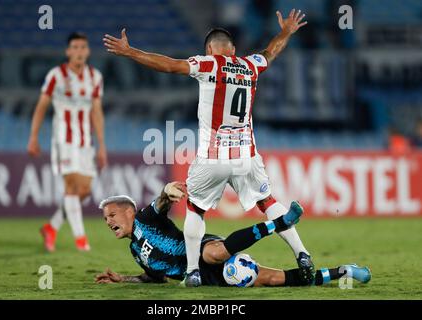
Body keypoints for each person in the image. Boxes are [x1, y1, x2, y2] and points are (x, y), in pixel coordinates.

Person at [103, 9, 313, 286]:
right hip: (246, 156)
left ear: (209, 50)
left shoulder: (208, 65)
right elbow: (271, 51)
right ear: (233, 50)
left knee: (195, 209)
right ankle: (303, 255)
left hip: (213, 158)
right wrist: (286, 31)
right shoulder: (249, 65)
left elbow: (168, 64)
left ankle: (192, 271)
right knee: (268, 202)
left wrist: (130, 52)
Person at [95, 181, 371, 287]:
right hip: (205, 279)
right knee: (274, 279)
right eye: (106, 218)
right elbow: (156, 278)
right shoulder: (134, 251)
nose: (109, 222)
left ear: (129, 212)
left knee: (213, 253)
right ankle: (345, 272)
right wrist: (124, 279)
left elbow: (162, 202)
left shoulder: (145, 218)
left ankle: (280, 222)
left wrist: (167, 191)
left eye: (112, 215)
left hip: (198, 250)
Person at [28, 32, 107, 252]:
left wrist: (102, 145)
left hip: (85, 141)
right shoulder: (56, 75)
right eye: (75, 47)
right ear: (68, 51)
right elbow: (42, 106)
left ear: (88, 51)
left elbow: (97, 112)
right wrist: (33, 137)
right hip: (64, 139)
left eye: (83, 47)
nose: (79, 51)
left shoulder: (95, 77)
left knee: (85, 190)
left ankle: (51, 227)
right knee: (72, 186)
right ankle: (81, 241)